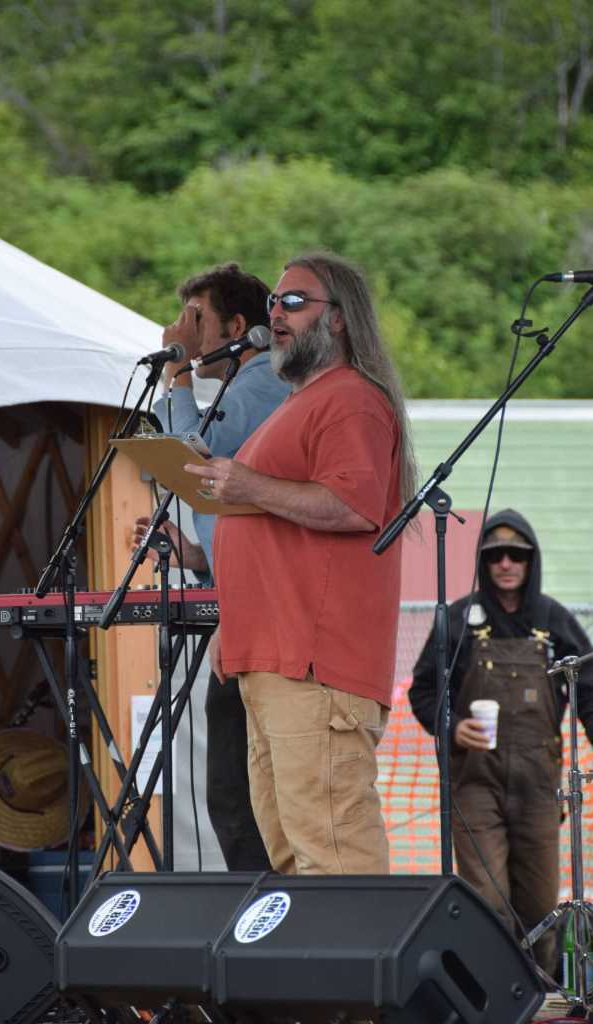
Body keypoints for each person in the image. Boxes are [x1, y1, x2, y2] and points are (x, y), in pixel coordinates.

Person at [184, 251, 417, 875]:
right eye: (272, 303)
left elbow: (351, 504)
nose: (276, 315)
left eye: (294, 302)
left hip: (315, 668)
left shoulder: (350, 400)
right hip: (271, 663)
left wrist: (247, 487)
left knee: (334, 861)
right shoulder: (299, 404)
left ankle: (357, 975)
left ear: (338, 320)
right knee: (291, 864)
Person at [134, 262, 290, 872]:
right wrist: (194, 551)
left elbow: (198, 458)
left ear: (238, 326)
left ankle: (262, 920)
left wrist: (175, 380)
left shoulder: (261, 385)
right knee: (233, 788)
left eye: (197, 319)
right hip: (240, 602)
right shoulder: (241, 391)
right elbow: (229, 503)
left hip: (259, 615)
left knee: (238, 790)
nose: (184, 331)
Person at [408, 509, 593, 973]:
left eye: (517, 555)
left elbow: (589, 687)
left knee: (540, 907)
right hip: (475, 786)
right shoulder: (456, 620)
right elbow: (425, 690)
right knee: (488, 903)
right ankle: (493, 996)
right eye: (495, 556)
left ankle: (545, 997)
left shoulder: (554, 622)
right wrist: (450, 727)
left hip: (539, 787)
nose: (506, 563)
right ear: (484, 562)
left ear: (531, 561)